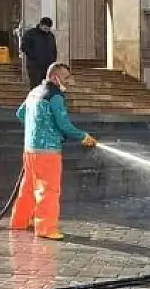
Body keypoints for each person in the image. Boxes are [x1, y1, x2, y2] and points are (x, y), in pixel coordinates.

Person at [10, 63, 97, 240]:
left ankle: (20, 221)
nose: (68, 82)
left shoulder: (34, 92)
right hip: (48, 151)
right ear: (55, 77)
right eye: (66, 78)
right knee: (48, 190)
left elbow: (20, 114)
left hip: (30, 149)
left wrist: (36, 129)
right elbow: (63, 124)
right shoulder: (55, 96)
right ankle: (46, 228)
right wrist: (83, 136)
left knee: (28, 187)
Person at [19, 17, 58, 89]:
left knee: (46, 88)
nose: (47, 30)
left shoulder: (50, 36)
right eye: (46, 28)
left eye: (49, 28)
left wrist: (53, 62)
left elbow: (54, 50)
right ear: (41, 25)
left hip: (47, 67)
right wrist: (33, 56)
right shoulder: (30, 34)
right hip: (34, 66)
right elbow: (24, 47)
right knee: (35, 86)